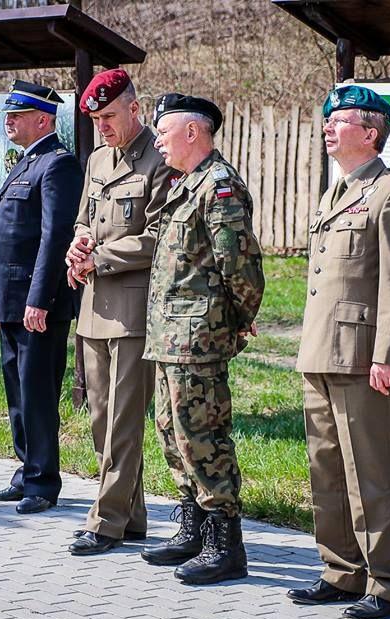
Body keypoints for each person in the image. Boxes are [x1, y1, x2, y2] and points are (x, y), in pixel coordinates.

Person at [288, 85, 390, 619]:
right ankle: (340, 572)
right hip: (320, 354)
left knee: (369, 472)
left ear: (369, 132)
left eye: (338, 120)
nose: (327, 127)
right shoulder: (334, 192)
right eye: (326, 119)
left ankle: (387, 583)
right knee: (326, 470)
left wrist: (387, 356)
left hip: (362, 356)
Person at [139, 93, 264, 585]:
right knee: (172, 434)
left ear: (193, 132)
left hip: (198, 337)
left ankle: (225, 544)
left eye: (165, 131)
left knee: (203, 438)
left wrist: (236, 319)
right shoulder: (185, 184)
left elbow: (241, 266)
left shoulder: (220, 185)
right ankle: (193, 527)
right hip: (170, 334)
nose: (158, 140)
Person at [64, 70, 176, 555]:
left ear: (135, 108)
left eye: (109, 117)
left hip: (133, 310)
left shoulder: (160, 160)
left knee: (123, 423)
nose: (102, 127)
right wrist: (77, 245)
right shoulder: (97, 159)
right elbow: (84, 218)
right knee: (99, 417)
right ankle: (132, 516)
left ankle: (106, 521)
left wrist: (100, 258)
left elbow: (157, 237)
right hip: (93, 307)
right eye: (95, 120)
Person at [0, 80, 84, 515]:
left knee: (37, 394)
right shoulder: (27, 162)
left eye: (17, 116)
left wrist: (38, 300)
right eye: (9, 114)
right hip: (13, 302)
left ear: (43, 120)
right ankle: (26, 472)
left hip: (36, 305)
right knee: (18, 393)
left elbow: (54, 236)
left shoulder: (56, 165)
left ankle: (43, 483)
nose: (9, 121)